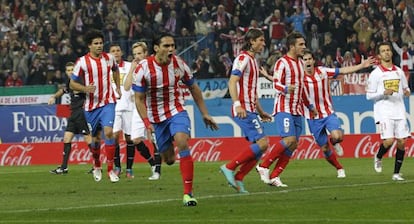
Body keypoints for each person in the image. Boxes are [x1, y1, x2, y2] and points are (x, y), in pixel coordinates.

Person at [132, 32, 219, 206]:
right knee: (169, 159)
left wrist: (204, 113)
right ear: (156, 48)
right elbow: (139, 99)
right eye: (166, 46)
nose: (171, 49)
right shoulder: (143, 68)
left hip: (176, 110)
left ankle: (188, 194)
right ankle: (167, 145)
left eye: (173, 45)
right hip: (156, 117)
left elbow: (194, 88)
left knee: (182, 141)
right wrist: (147, 123)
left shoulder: (180, 64)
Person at [302, 49, 375, 178]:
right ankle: (339, 168)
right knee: (324, 149)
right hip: (312, 117)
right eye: (305, 59)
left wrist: (361, 66)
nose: (307, 61)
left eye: (309, 59)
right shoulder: (299, 78)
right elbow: (281, 83)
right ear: (302, 62)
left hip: (328, 112)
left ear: (313, 61)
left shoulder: (323, 72)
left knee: (338, 136)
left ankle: (334, 142)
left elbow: (342, 71)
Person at [219, 29, 272, 194]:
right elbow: (232, 81)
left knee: (260, 146)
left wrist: (261, 111)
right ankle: (229, 167)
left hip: (251, 109)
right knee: (263, 143)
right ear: (251, 41)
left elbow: (252, 91)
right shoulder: (242, 58)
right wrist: (237, 104)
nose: (263, 44)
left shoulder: (253, 61)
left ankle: (239, 178)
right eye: (261, 40)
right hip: (243, 109)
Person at [255, 31, 308, 187]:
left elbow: (301, 87)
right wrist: (286, 88)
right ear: (292, 46)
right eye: (301, 44)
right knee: (288, 140)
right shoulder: (282, 63)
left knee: (293, 144)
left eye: (304, 44)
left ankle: (275, 176)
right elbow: (276, 84)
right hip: (284, 107)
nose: (304, 47)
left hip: (297, 109)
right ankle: (263, 166)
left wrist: (310, 106)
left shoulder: (300, 63)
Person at [70, 29, 121, 183]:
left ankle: (111, 170)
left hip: (108, 102)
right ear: (89, 46)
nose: (99, 46)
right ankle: (97, 165)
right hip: (91, 106)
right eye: (96, 43)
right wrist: (85, 89)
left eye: (101, 43)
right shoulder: (82, 62)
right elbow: (72, 83)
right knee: (96, 140)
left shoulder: (109, 58)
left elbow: (116, 70)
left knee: (109, 132)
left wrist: (117, 87)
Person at [109, 43, 159, 180]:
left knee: (131, 138)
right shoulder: (108, 68)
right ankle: (117, 167)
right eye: (113, 51)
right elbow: (124, 86)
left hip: (131, 106)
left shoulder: (127, 65)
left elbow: (128, 87)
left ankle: (131, 168)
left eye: (118, 50)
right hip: (114, 106)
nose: (116, 53)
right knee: (113, 136)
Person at [366, 42, 410, 181]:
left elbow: (405, 88)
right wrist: (383, 93)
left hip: (399, 110)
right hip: (384, 111)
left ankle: (396, 174)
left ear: (391, 53)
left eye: (388, 50)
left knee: (402, 142)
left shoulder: (399, 71)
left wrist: (407, 91)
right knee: (389, 141)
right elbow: (369, 95)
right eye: (383, 51)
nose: (386, 52)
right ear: (379, 55)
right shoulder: (375, 74)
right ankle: (378, 156)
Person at [122, 41, 161, 180]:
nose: (137, 56)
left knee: (154, 138)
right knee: (136, 139)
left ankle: (157, 171)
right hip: (138, 109)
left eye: (139, 53)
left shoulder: (152, 67)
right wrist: (132, 69)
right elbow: (126, 87)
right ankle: (152, 164)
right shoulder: (134, 68)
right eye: (135, 54)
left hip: (152, 107)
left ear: (146, 53)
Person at [49, 62, 93, 174]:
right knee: (67, 139)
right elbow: (63, 91)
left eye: (72, 69)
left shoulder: (80, 81)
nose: (70, 72)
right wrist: (54, 96)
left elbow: (90, 90)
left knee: (88, 139)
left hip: (81, 112)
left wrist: (84, 90)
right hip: (73, 113)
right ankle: (64, 167)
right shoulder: (70, 82)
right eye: (68, 70)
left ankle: (96, 166)